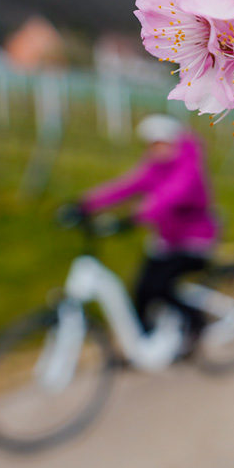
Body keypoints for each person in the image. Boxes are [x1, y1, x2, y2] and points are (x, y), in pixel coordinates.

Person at [79, 114, 218, 353]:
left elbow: (171, 194)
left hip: (193, 240)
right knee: (141, 288)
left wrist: (137, 215)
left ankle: (197, 324)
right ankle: (143, 342)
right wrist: (86, 204)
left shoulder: (189, 166)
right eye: (153, 144)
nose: (157, 149)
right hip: (166, 240)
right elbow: (126, 186)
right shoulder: (154, 167)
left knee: (160, 288)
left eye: (162, 143)